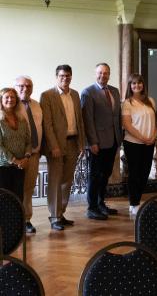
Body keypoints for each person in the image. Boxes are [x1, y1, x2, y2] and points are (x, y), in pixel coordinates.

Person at [40, 65, 85, 231]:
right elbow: (48, 124)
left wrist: (81, 144)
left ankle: (61, 213)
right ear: (56, 77)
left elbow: (79, 121)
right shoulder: (47, 96)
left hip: (73, 142)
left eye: (67, 76)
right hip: (57, 145)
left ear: (71, 77)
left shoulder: (75, 94)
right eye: (62, 76)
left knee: (67, 181)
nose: (65, 78)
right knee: (55, 181)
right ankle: (54, 216)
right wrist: (53, 146)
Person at [81, 63, 122, 220]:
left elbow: (116, 116)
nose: (102, 76)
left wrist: (119, 139)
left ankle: (101, 203)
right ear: (95, 73)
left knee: (106, 174)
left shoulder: (114, 91)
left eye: (106, 73)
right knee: (95, 175)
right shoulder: (88, 92)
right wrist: (92, 142)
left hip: (112, 140)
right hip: (97, 142)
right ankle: (92, 207)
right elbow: (88, 120)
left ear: (109, 74)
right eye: (100, 73)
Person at [122, 73, 157, 215]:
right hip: (133, 143)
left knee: (145, 173)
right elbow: (127, 125)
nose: (137, 86)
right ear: (130, 86)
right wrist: (143, 138)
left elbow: (155, 122)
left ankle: (137, 198)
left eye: (139, 83)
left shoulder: (151, 101)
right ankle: (134, 202)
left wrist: (153, 136)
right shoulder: (127, 103)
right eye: (134, 83)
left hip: (149, 143)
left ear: (143, 85)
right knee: (134, 174)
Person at [15, 76, 43, 234]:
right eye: (21, 86)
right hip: (17, 157)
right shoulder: (10, 105)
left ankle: (26, 220)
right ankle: (13, 219)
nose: (25, 88)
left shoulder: (37, 105)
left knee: (29, 189)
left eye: (28, 86)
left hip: (34, 154)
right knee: (14, 189)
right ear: (15, 87)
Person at [0, 88, 31, 201]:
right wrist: (15, 160)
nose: (10, 99)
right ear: (1, 100)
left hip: (21, 166)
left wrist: (26, 158)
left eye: (12, 97)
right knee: (4, 200)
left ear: (16, 100)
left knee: (18, 199)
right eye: (6, 97)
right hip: (3, 167)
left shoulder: (22, 119)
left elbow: (28, 141)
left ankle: (18, 220)